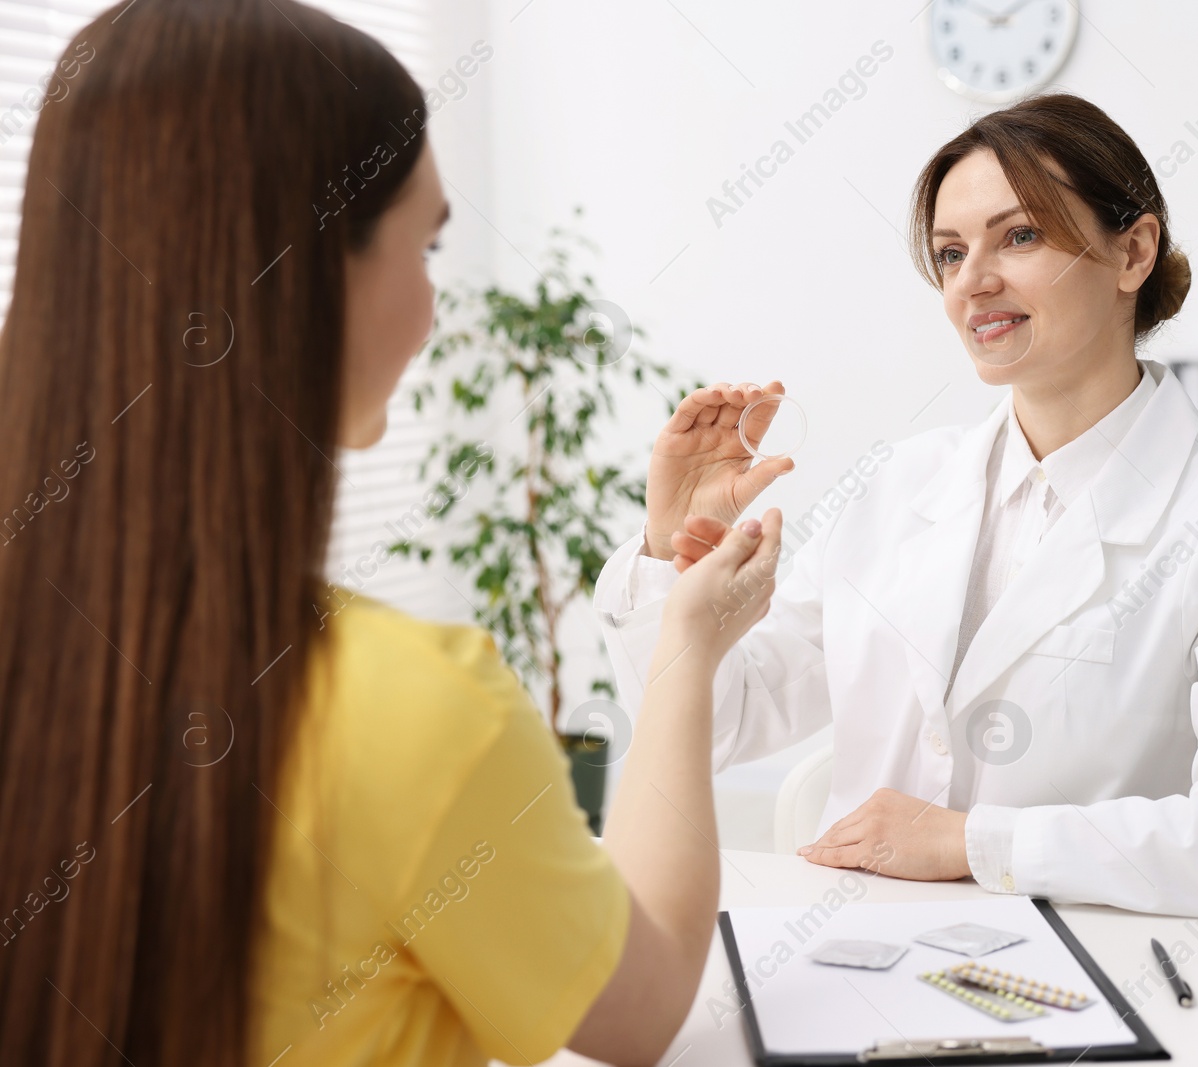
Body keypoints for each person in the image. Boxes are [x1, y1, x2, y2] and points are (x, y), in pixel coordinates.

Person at [0, 2, 780, 1064]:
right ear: (314, 276)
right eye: (427, 244)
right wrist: (688, 645)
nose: (432, 308)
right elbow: (638, 1009)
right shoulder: (409, 709)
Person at [594, 93, 1198, 919]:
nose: (973, 282)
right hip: (851, 942)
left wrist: (974, 842)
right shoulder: (897, 486)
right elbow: (719, 725)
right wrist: (669, 550)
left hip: (1089, 974)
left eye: (1020, 235)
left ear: (1132, 253)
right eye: (948, 252)